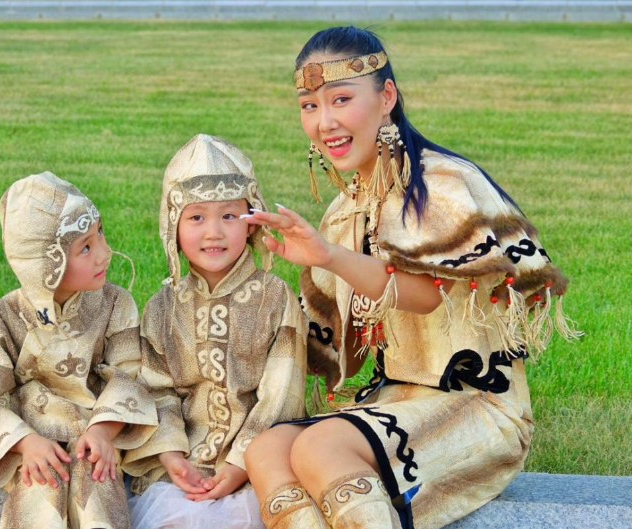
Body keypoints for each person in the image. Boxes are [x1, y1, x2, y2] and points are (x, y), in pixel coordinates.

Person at [242, 26, 582, 528]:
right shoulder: (344, 210)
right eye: (309, 106)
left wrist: (331, 257)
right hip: (394, 400)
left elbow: (425, 296)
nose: (324, 121)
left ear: (387, 97)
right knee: (267, 449)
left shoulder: (442, 185)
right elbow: (341, 351)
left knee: (319, 446)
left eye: (341, 99)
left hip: (475, 406)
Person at [0, 172, 158, 529]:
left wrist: (104, 432)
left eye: (100, 233)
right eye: (85, 248)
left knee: (99, 495)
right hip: (33, 442)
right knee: (39, 498)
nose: (104, 254)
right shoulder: (3, 319)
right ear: (45, 265)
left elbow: (131, 375)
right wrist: (26, 443)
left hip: (96, 435)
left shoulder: (115, 304)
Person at [122, 134, 308, 529]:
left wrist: (241, 464)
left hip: (259, 463)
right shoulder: (162, 308)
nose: (213, 232)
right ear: (172, 225)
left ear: (252, 220)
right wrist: (171, 455)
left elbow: (282, 394)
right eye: (196, 217)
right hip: (183, 466)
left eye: (229, 216)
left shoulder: (275, 298)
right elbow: (156, 391)